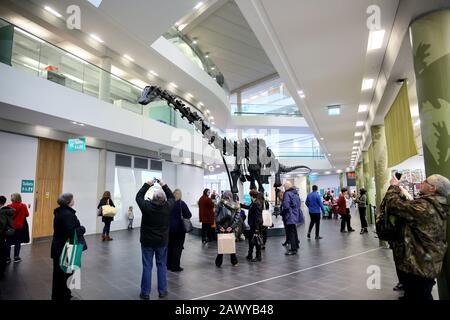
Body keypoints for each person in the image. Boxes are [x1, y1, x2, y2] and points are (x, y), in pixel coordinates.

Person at [382, 174, 450, 300]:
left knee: (419, 295)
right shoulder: (436, 204)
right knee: (418, 293)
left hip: (418, 265)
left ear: (432, 188)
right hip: (426, 263)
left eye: (425, 181)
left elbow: (393, 205)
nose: (422, 182)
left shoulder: (424, 207)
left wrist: (393, 187)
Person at [136, 179, 175, 300]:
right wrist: (164, 185)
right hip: (162, 242)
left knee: (147, 266)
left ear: (153, 198)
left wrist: (148, 184)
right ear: (164, 200)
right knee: (162, 265)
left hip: (147, 242)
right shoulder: (167, 207)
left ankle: (145, 293)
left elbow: (139, 196)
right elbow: (172, 197)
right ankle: (162, 291)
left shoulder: (146, 207)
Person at [51, 193, 87, 301]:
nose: (74, 200)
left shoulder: (60, 211)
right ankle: (63, 296)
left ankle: (60, 295)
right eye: (72, 199)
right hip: (65, 248)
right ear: (68, 201)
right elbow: (71, 232)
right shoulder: (67, 214)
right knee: (64, 274)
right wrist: (82, 228)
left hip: (59, 247)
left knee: (59, 274)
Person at [167, 189, 192, 272]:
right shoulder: (182, 203)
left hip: (169, 229)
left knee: (170, 247)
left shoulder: (168, 203)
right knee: (177, 248)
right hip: (179, 229)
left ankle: (168, 265)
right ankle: (175, 266)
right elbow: (189, 214)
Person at [215, 191, 242, 267]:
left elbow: (216, 216)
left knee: (221, 244)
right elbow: (237, 217)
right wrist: (232, 226)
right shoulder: (236, 205)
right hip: (231, 228)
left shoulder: (220, 204)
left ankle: (218, 262)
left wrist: (220, 227)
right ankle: (234, 261)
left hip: (222, 228)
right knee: (231, 245)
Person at [5, 193, 29, 263]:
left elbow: (6, 217)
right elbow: (27, 215)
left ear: (13, 199)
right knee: (17, 242)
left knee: (8, 242)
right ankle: (16, 257)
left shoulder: (8, 206)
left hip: (10, 227)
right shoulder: (23, 206)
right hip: (19, 227)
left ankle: (7, 258)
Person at [240, 190, 263, 262]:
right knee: (251, 240)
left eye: (250, 195)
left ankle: (258, 256)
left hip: (256, 226)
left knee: (256, 241)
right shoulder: (254, 202)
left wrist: (257, 228)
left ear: (252, 196)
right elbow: (248, 207)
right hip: (253, 225)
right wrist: (240, 205)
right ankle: (250, 255)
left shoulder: (256, 203)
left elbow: (257, 216)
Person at [281, 181, 303, 255]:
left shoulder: (287, 193)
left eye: (284, 186)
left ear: (287, 186)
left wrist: (283, 212)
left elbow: (286, 206)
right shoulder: (295, 193)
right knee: (294, 230)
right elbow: (298, 203)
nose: (284, 188)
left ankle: (293, 249)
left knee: (291, 232)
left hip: (290, 215)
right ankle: (296, 245)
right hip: (295, 214)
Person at [0, 196, 14, 279]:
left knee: (1, 254)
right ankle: (2, 271)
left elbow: (1, 225)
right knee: (2, 253)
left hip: (1, 235)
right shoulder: (7, 210)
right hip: (4, 235)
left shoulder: (2, 212)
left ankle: (1, 272)